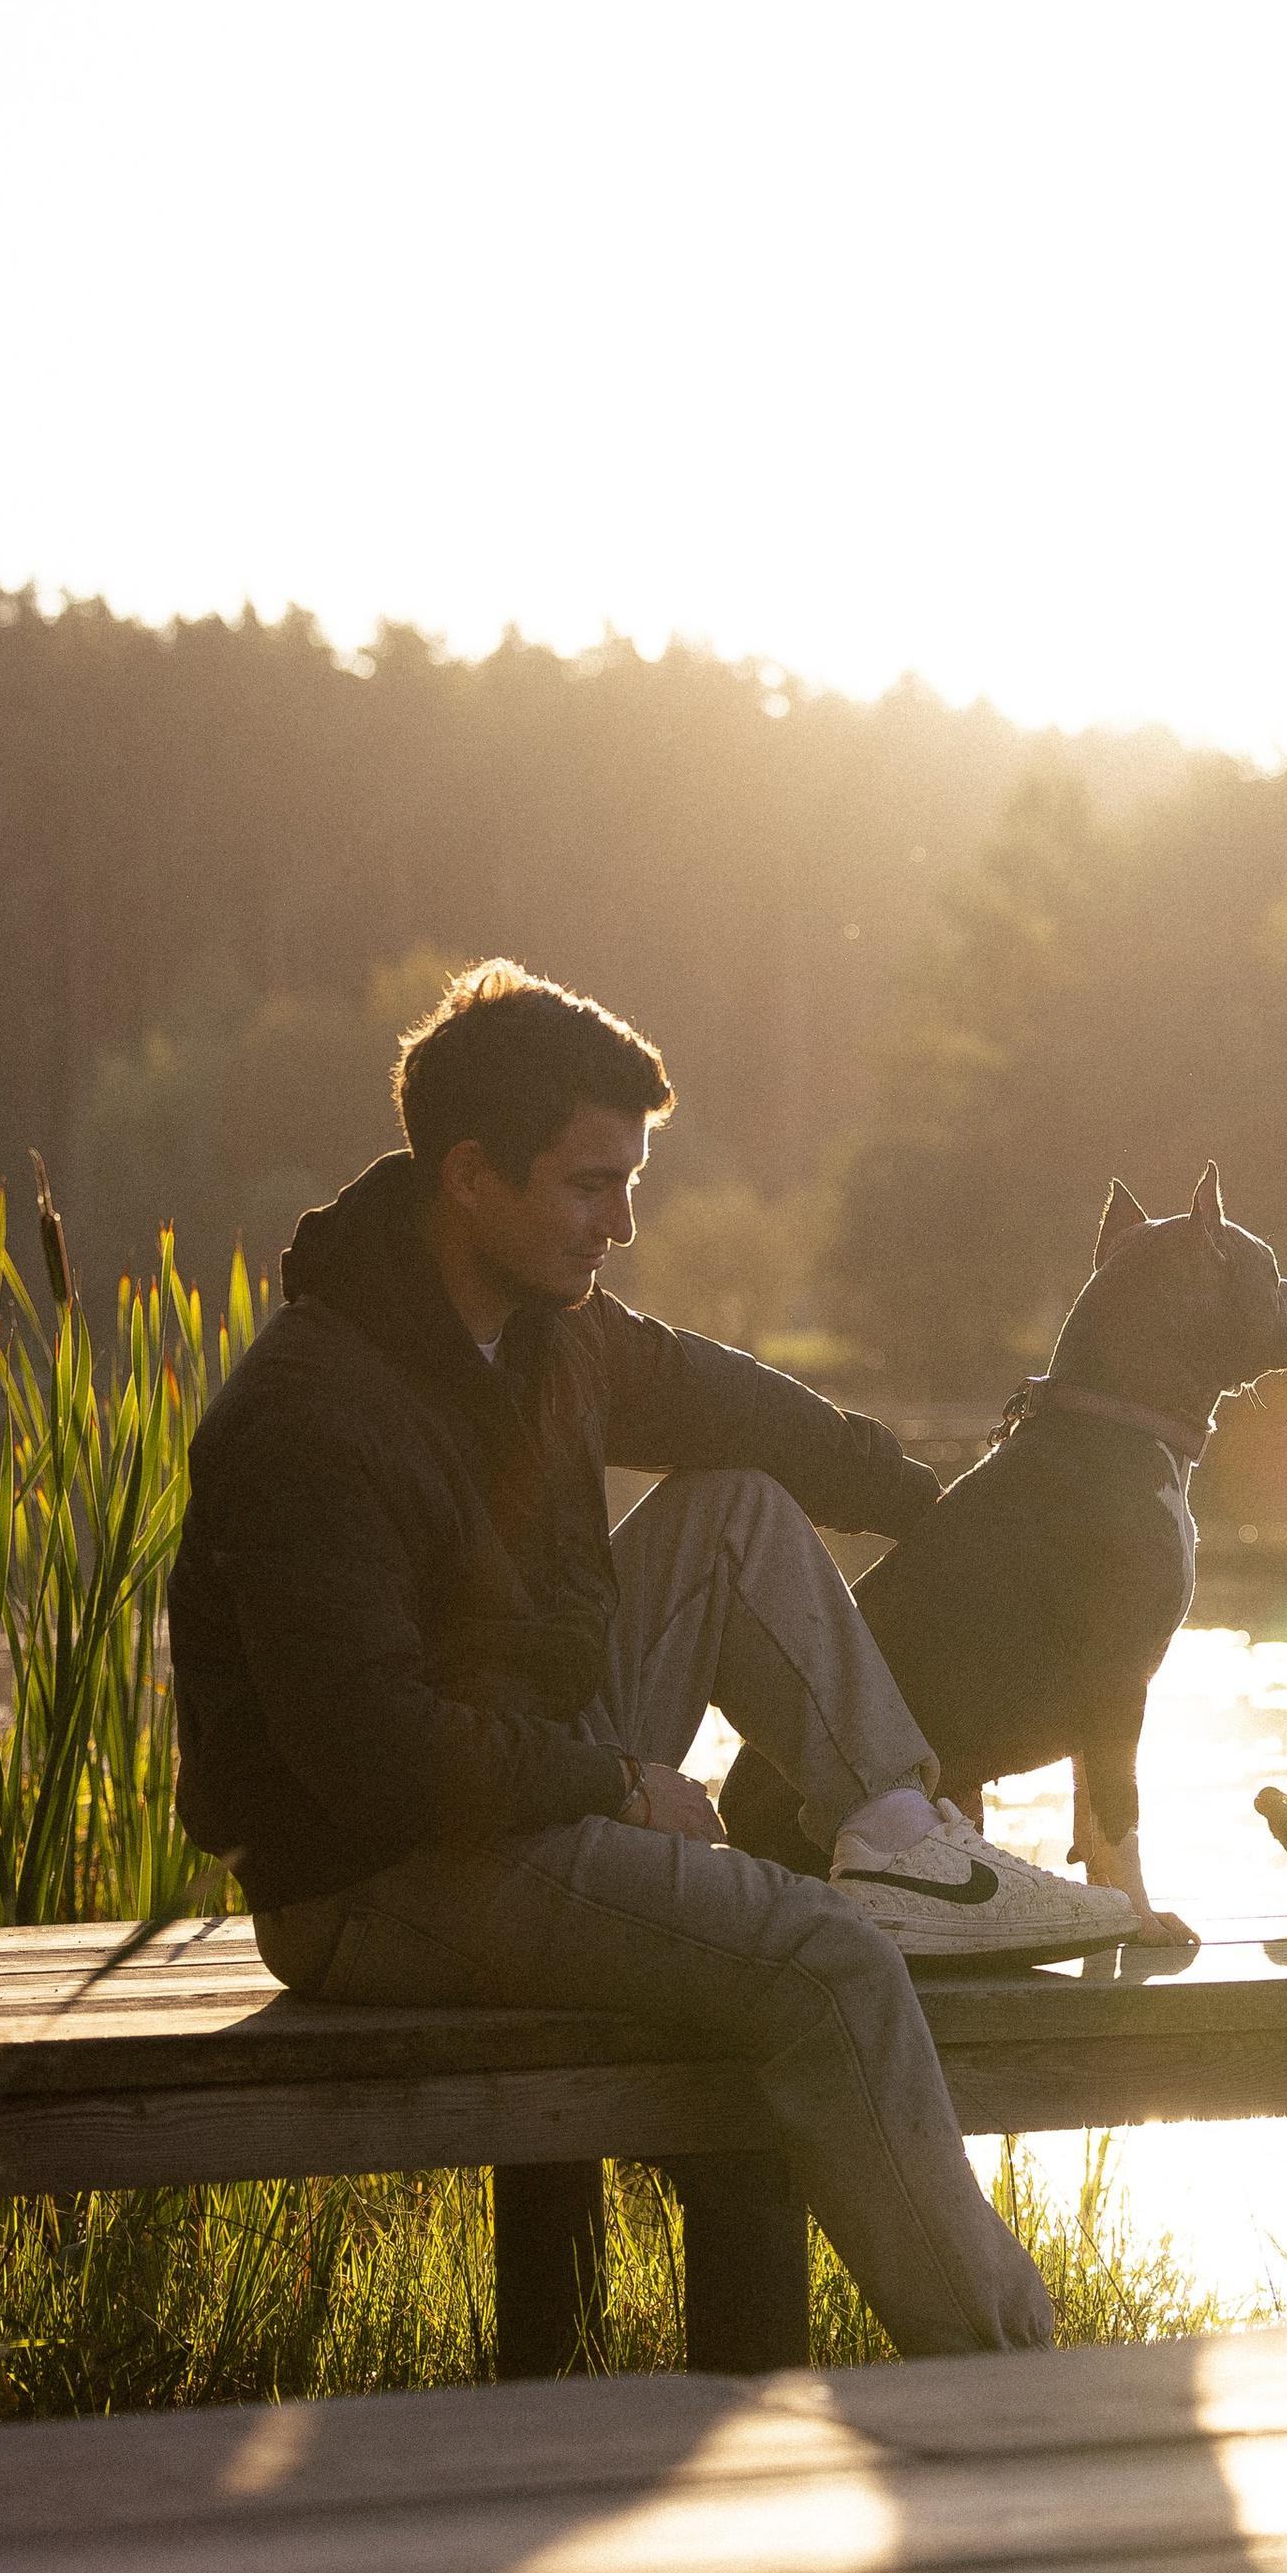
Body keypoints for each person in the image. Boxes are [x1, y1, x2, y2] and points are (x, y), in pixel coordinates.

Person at [168, 957, 1137, 2361]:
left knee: (737, 1507)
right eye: (587, 1184)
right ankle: (1016, 2377)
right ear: (470, 1176)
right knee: (824, 1960)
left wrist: (939, 1498)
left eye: (632, 1181)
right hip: (376, 1878)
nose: (621, 1222)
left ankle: (899, 1835)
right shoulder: (313, 1416)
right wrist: (616, 1782)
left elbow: (732, 1403)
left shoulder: (551, 1333)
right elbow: (368, 1760)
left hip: (527, 1763)